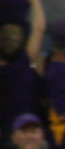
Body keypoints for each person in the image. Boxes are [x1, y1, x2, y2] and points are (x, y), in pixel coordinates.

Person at [0, 0, 44, 139]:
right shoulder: (24, 62)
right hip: (26, 130)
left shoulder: (23, 62)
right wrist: (35, 2)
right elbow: (39, 29)